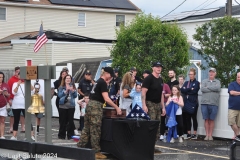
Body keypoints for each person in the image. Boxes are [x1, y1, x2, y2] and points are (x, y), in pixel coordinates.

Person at [77, 67, 122, 159]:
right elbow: (106, 98)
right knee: (95, 129)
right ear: (106, 74)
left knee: (87, 128)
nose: (111, 78)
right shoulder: (102, 83)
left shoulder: (98, 81)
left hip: (90, 105)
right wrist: (117, 107)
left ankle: (80, 148)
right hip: (96, 107)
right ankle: (96, 152)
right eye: (111, 76)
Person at [142, 61, 166, 153]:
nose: (159, 68)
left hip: (157, 104)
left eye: (160, 67)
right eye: (157, 67)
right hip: (150, 103)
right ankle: (147, 147)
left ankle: (152, 146)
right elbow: (143, 92)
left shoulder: (160, 79)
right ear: (153, 68)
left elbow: (161, 95)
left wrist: (163, 107)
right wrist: (144, 105)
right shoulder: (148, 79)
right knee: (151, 124)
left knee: (157, 125)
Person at [11, 73, 35, 140]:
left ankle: (31, 135)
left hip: (26, 105)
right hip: (16, 104)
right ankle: (14, 136)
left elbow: (34, 91)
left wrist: (28, 82)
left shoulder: (28, 83)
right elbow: (14, 92)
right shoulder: (15, 84)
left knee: (28, 120)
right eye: (20, 75)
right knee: (16, 120)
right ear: (17, 76)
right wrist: (18, 85)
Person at [201, 68, 221, 141]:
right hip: (204, 103)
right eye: (210, 72)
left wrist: (208, 87)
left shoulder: (217, 81)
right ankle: (207, 135)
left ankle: (210, 135)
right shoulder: (204, 81)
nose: (211, 73)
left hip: (214, 103)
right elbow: (202, 89)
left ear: (215, 73)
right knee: (206, 119)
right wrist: (213, 88)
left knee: (212, 120)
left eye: (213, 72)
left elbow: (218, 88)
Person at [181, 68, 200, 139]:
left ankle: (195, 133)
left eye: (192, 74)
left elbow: (194, 91)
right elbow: (182, 90)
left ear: (194, 75)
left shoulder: (197, 83)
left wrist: (187, 90)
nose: (190, 76)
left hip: (194, 102)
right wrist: (189, 89)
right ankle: (189, 133)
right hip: (187, 102)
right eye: (189, 74)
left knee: (194, 118)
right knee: (187, 118)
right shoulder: (186, 83)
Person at [58, 74, 78, 140]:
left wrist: (73, 90)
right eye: (67, 78)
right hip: (63, 106)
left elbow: (75, 96)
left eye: (69, 78)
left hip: (71, 106)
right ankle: (61, 135)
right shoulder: (61, 87)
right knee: (63, 121)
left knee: (70, 121)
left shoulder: (73, 86)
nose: (68, 79)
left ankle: (70, 135)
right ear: (64, 79)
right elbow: (59, 95)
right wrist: (66, 91)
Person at [7, 66, 25, 133]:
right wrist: (9, 99)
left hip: (22, 101)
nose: (18, 73)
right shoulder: (11, 80)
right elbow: (8, 90)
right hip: (13, 99)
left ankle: (23, 127)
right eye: (17, 72)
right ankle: (11, 128)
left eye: (19, 72)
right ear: (15, 72)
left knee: (22, 115)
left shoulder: (24, 80)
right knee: (12, 115)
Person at [228, 72, 240, 141]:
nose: (239, 78)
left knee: (239, 124)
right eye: (238, 77)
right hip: (232, 107)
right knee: (231, 122)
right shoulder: (232, 84)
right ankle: (238, 135)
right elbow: (232, 92)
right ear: (236, 77)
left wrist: (237, 93)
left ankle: (237, 138)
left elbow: (234, 93)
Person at [0, 72, 10, 139]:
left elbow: (9, 95)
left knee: (2, 120)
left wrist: (6, 94)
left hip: (3, 105)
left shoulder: (5, 85)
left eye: (2, 77)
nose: (1, 79)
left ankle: (2, 136)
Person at [178, 74, 188, 139]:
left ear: (183, 80)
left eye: (181, 79)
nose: (180, 80)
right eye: (179, 79)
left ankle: (185, 133)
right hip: (177, 106)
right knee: (179, 120)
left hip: (184, 104)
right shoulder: (176, 87)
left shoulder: (185, 86)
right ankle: (179, 133)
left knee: (185, 119)